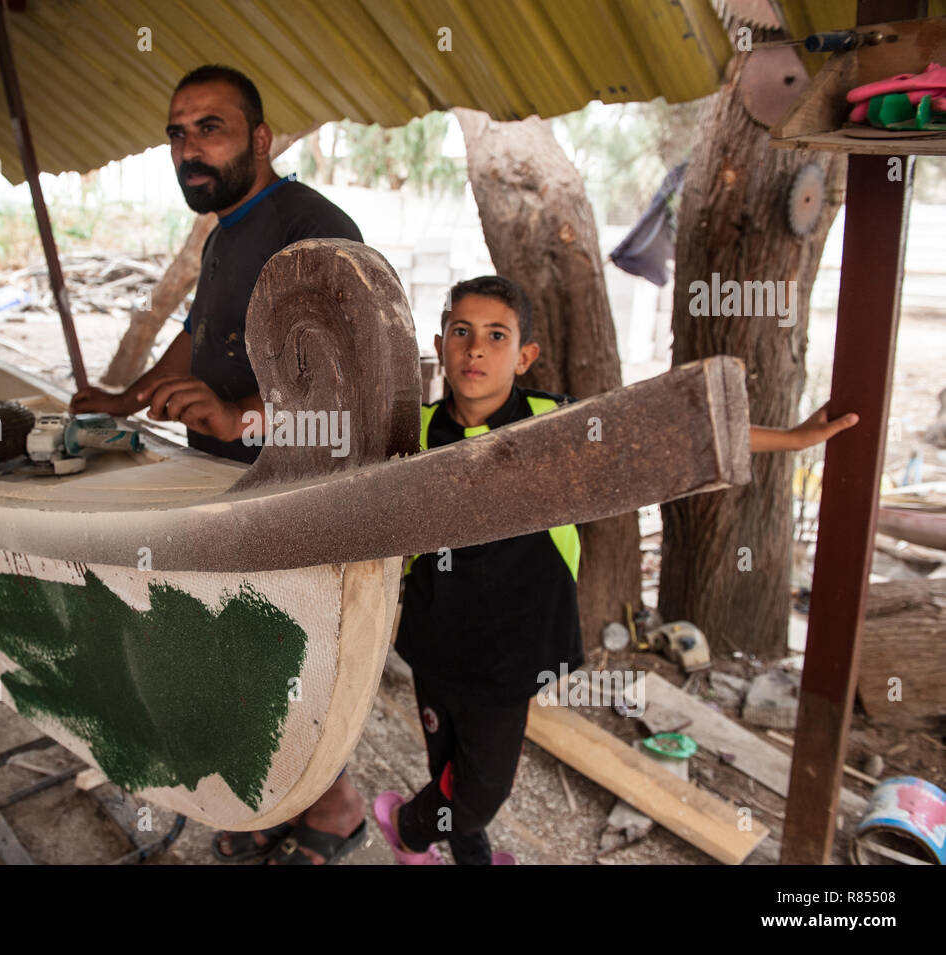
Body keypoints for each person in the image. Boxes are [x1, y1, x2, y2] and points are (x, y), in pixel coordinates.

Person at [373, 275, 859, 865]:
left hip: (511, 657)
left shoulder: (557, 426)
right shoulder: (415, 434)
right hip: (433, 643)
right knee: (444, 762)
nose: (476, 349)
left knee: (479, 792)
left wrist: (793, 439)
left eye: (496, 336)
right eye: (462, 332)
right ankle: (470, 858)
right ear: (441, 342)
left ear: (525, 355)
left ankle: (407, 828)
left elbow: (668, 435)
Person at [69, 65, 368, 863]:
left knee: (295, 649)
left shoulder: (312, 227)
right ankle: (267, 796)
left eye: (211, 127)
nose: (188, 148)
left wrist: (243, 418)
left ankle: (335, 803)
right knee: (236, 648)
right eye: (177, 132)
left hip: (296, 489)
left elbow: (355, 378)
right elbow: (201, 334)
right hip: (225, 480)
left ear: (261, 139)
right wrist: (127, 396)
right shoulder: (226, 232)